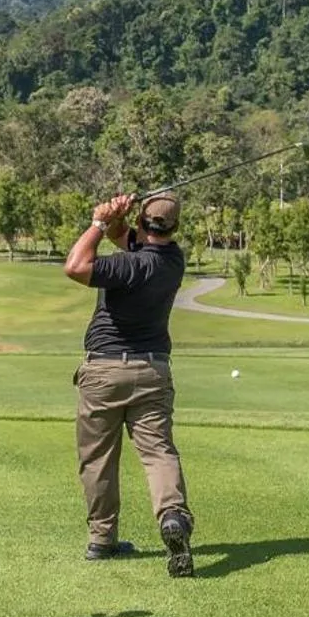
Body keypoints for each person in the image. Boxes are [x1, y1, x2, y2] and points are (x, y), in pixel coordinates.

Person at [63, 190, 194, 577]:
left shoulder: (124, 267)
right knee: (158, 452)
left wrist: (99, 223)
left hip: (103, 371)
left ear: (143, 223)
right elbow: (128, 239)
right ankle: (172, 516)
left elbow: (75, 266)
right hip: (153, 370)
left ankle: (102, 539)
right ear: (175, 227)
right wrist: (117, 217)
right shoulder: (173, 260)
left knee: (98, 457)